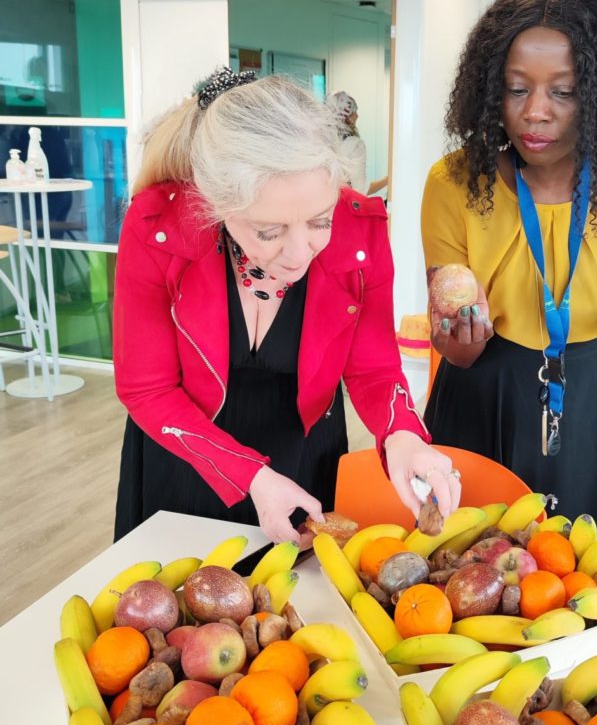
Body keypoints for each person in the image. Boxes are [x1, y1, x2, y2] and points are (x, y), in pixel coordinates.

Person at [114, 68, 459, 545]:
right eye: (269, 232)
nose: (300, 254)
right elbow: (147, 389)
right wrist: (250, 475)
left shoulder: (362, 231)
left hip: (304, 452)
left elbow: (375, 370)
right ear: (214, 204)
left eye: (320, 221)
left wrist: (403, 435)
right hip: (189, 451)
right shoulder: (158, 226)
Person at [421, 0, 597, 599]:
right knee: (470, 589)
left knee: (588, 586)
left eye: (563, 92)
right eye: (515, 89)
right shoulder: (455, 183)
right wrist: (458, 346)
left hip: (596, 387)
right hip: (484, 389)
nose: (535, 112)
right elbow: (448, 315)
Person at [328, 91, 388, 197]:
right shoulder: (355, 144)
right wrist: (388, 179)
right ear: (347, 116)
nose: (357, 116)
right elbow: (360, 190)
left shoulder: (323, 140)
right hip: (342, 208)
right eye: (354, 111)